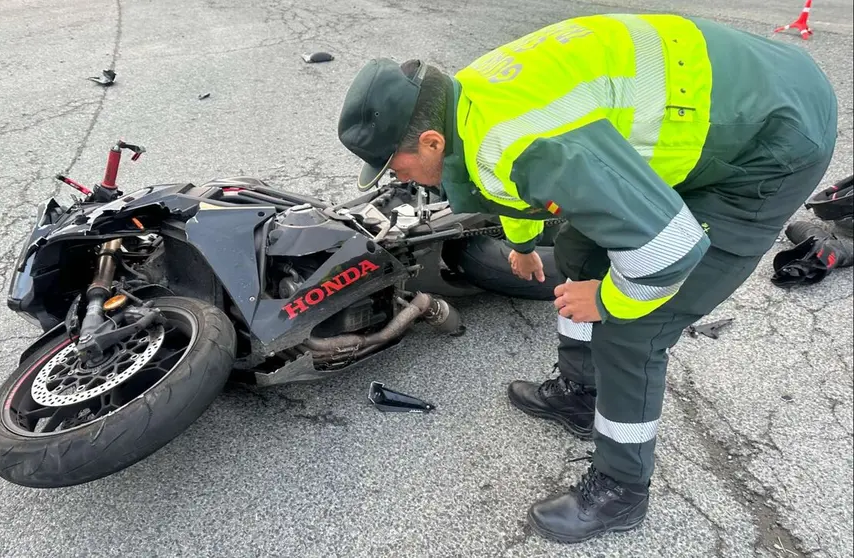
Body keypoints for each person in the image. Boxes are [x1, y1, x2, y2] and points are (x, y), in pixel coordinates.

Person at [336, 13, 837, 543]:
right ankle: (581, 392)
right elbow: (506, 179)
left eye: (396, 166)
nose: (396, 179)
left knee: (637, 327)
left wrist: (612, 298)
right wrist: (524, 246)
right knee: (579, 246)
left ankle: (622, 492)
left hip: (773, 138)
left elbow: (671, 249)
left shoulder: (533, 140)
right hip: (723, 100)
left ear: (431, 141)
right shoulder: (464, 98)